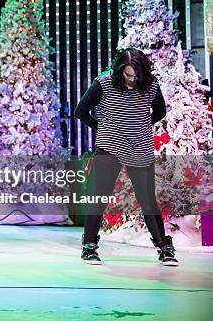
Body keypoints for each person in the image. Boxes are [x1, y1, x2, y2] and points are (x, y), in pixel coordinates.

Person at [74, 48, 178, 266]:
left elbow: (160, 111)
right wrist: (102, 128)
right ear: (119, 71)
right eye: (128, 75)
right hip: (109, 146)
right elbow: (81, 111)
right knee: (99, 196)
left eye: (136, 76)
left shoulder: (150, 85)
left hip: (140, 147)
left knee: (147, 198)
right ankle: (89, 247)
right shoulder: (103, 83)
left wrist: (141, 126)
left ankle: (164, 248)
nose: (132, 80)